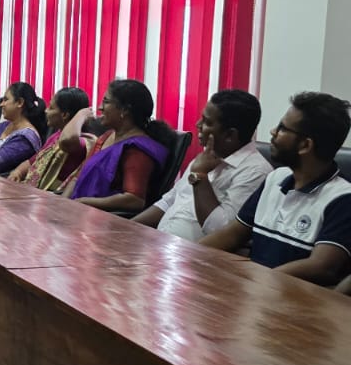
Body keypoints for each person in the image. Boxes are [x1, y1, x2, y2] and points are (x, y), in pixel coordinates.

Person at [201, 92, 351, 282]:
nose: (272, 132)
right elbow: (233, 234)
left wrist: (262, 281)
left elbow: (321, 266)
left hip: (292, 295)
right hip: (252, 288)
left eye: (282, 129)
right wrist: (189, 255)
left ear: (305, 145)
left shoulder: (342, 198)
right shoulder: (276, 178)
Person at [131, 89, 272, 242]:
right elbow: (168, 201)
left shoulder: (255, 172)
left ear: (230, 135)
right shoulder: (208, 156)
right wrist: (128, 227)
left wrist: (200, 176)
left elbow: (220, 230)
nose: (198, 124)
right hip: (161, 243)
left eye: (207, 122)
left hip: (195, 253)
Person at [62, 79, 169, 211]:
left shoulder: (137, 149)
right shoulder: (106, 137)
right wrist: (62, 203)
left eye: (106, 102)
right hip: (75, 209)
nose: (100, 107)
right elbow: (77, 178)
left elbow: (134, 200)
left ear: (125, 110)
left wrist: (83, 202)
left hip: (98, 217)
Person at [11, 87, 92, 191]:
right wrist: (17, 172)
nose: (46, 111)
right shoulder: (56, 135)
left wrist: (81, 114)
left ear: (64, 115)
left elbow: (67, 139)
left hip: (51, 196)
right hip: (32, 191)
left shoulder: (83, 142)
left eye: (51, 108)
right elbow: (33, 161)